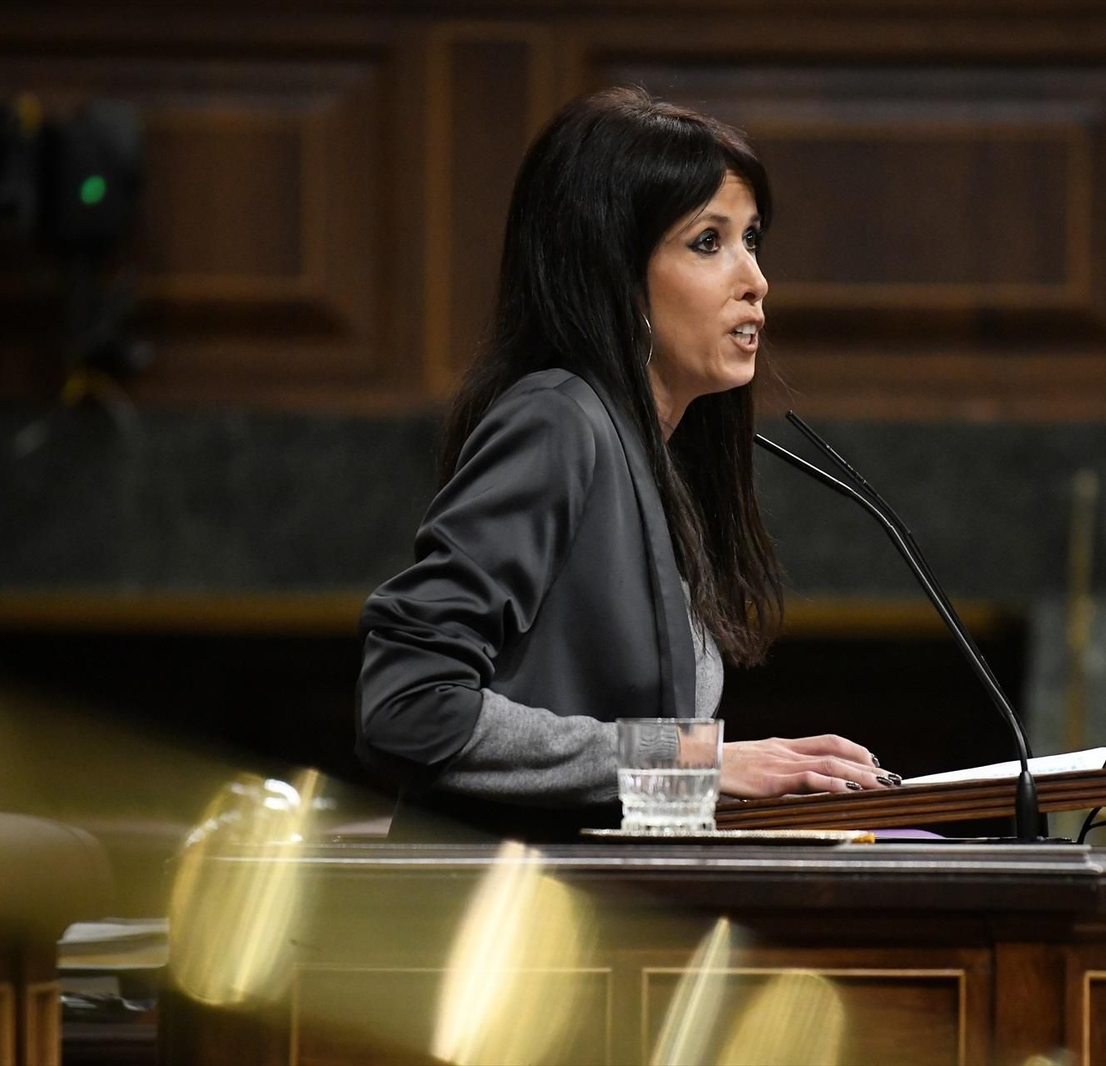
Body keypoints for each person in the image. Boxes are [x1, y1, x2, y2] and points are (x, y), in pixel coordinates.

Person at [357, 87, 894, 842]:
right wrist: (697, 764)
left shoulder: (657, 458)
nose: (755, 279)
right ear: (614, 269)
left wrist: (751, 802)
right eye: (709, 242)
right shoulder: (557, 422)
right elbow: (410, 708)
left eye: (753, 240)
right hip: (493, 941)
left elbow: (622, 805)